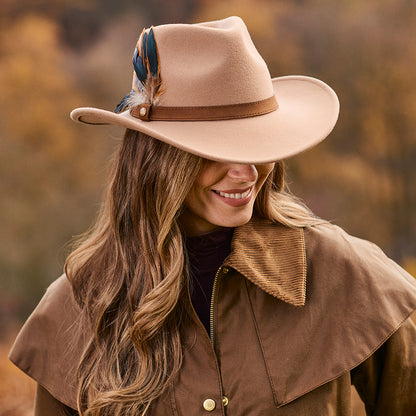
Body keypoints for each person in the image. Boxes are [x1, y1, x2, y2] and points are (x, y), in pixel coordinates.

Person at [9, 16, 416, 416]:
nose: (247, 173)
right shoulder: (77, 308)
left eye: (257, 143)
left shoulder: (346, 274)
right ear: (157, 160)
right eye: (214, 150)